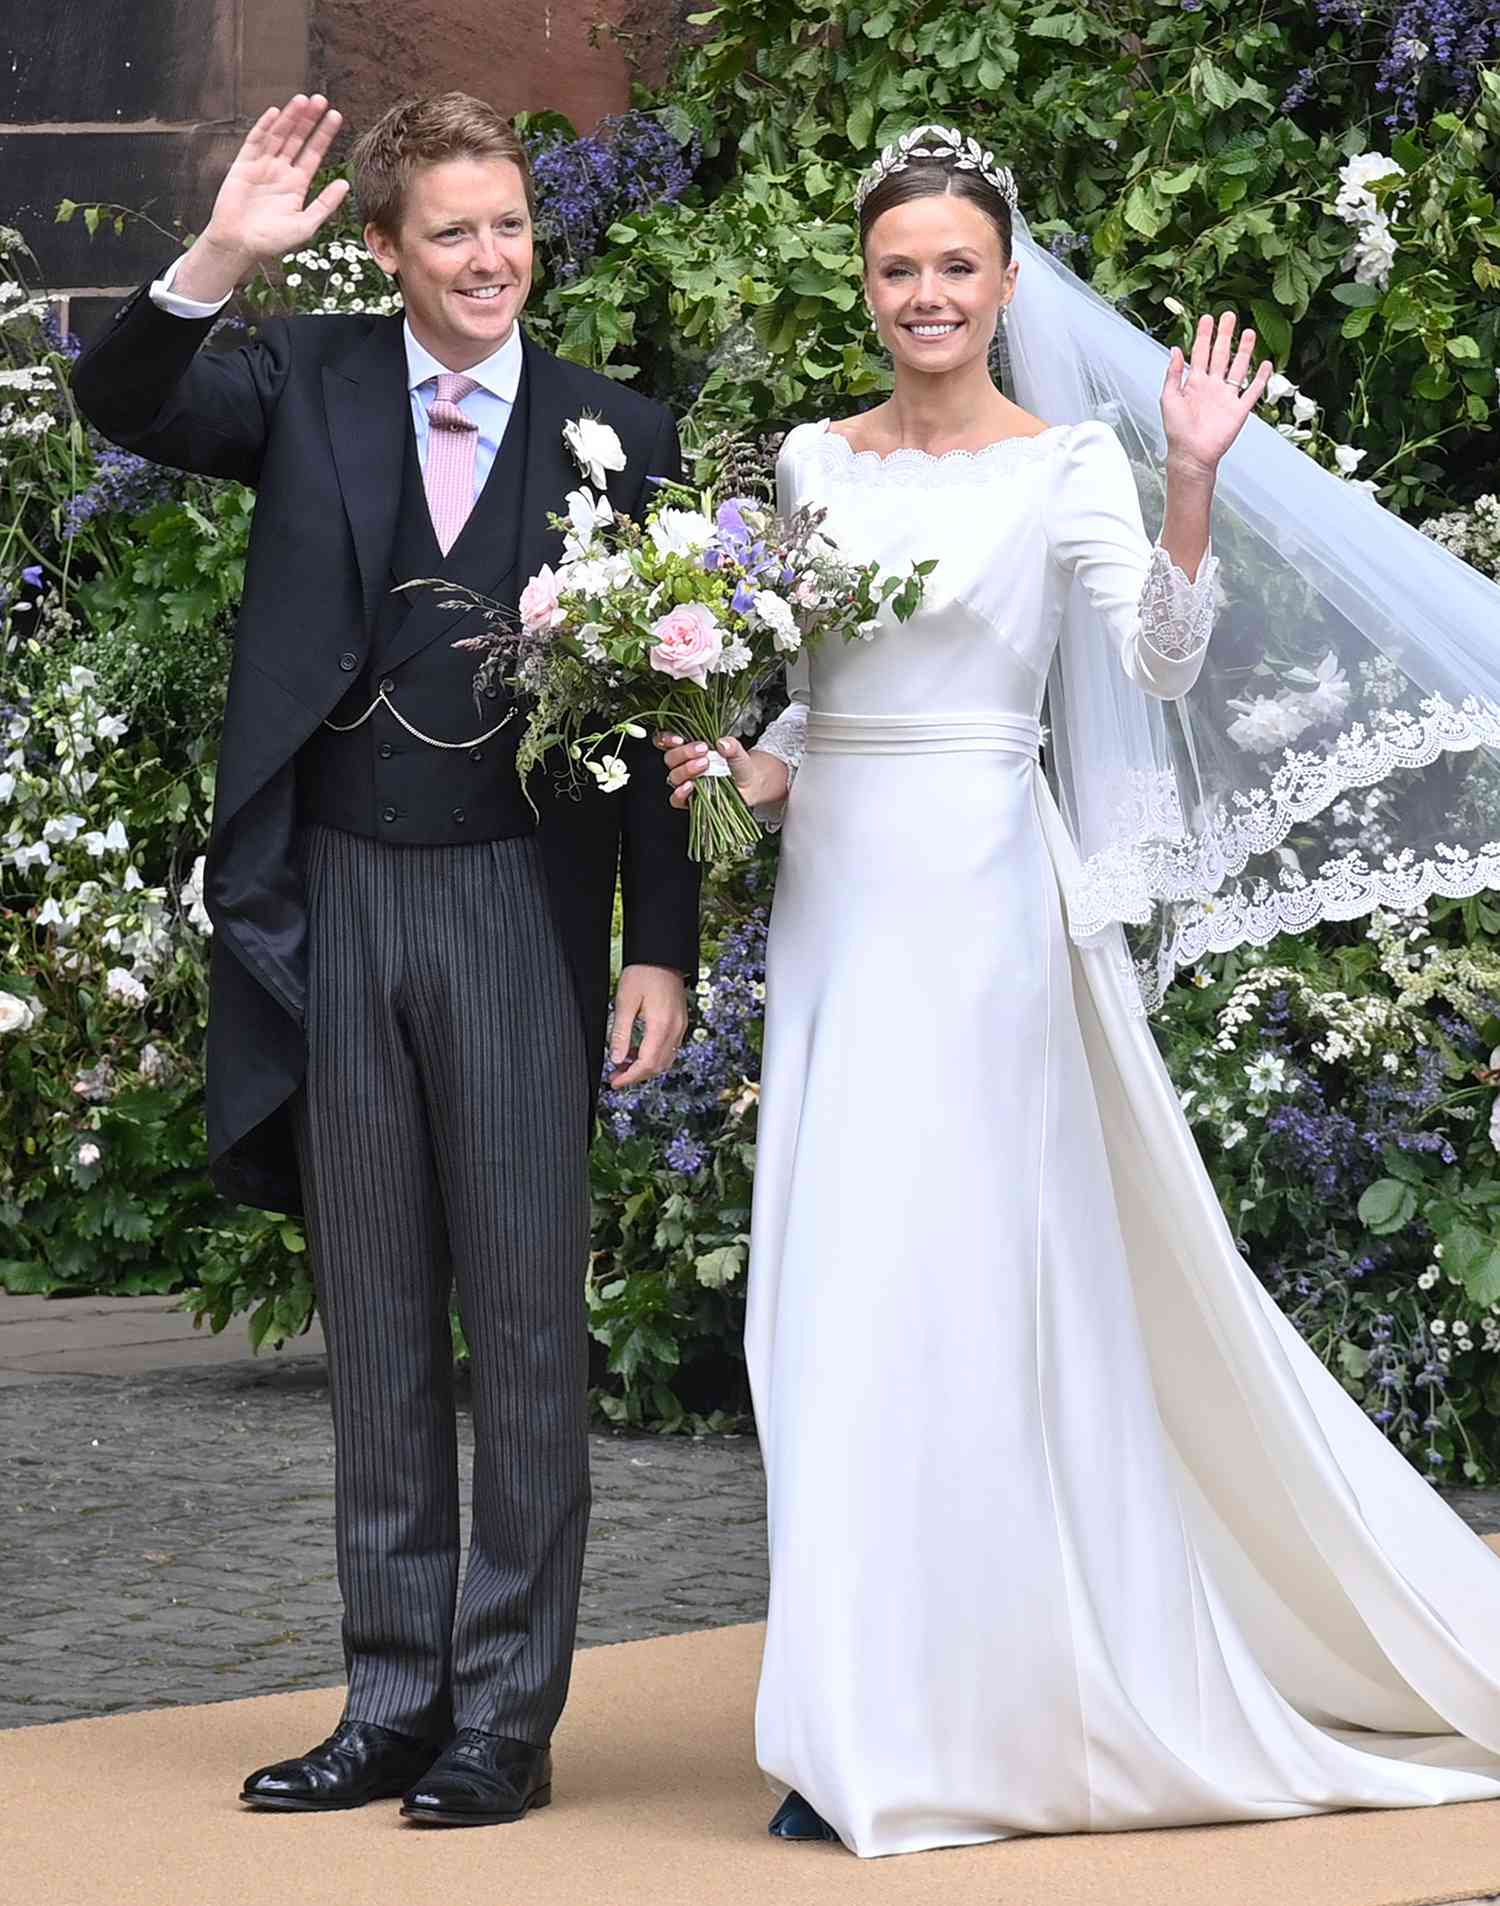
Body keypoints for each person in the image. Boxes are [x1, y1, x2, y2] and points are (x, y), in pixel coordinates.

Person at [659, 126, 1500, 1858]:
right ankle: (849, 1719)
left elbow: (1157, 664)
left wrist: (1190, 477)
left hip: (981, 912)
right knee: (820, 1300)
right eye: (901, 268)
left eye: (958, 266)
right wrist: (733, 768)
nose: (929, 295)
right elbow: (827, 701)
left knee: (957, 1301)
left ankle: (979, 1711)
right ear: (869, 285)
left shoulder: (1067, 472)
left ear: (1007, 283)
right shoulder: (812, 464)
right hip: (837, 913)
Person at [72, 92, 698, 1827]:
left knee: (523, 1321)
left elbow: (666, 711)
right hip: (334, 901)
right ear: (387, 253)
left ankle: (507, 1712)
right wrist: (216, 254)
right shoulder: (309, 384)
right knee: (375, 1325)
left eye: (510, 227)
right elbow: (120, 397)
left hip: (518, 903)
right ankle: (393, 1697)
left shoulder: (616, 429)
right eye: (454, 234)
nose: (491, 259)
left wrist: (666, 943)